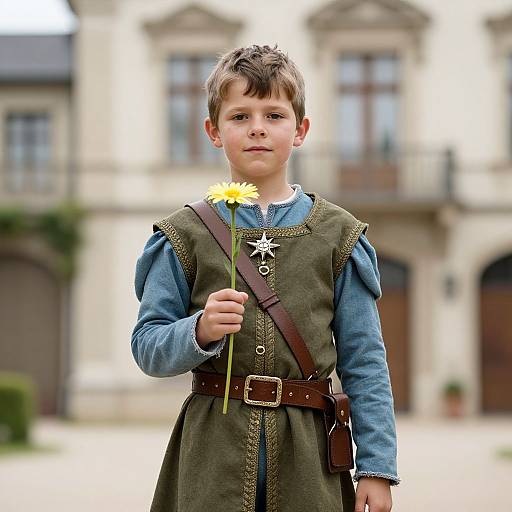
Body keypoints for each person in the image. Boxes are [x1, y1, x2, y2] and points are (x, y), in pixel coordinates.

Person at [131, 44, 400, 512]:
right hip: (211, 455)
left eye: (274, 114)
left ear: (300, 130)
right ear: (213, 131)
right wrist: (199, 329)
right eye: (240, 116)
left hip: (309, 457)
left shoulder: (339, 234)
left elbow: (365, 362)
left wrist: (376, 468)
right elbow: (148, 348)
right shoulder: (183, 235)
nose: (257, 127)